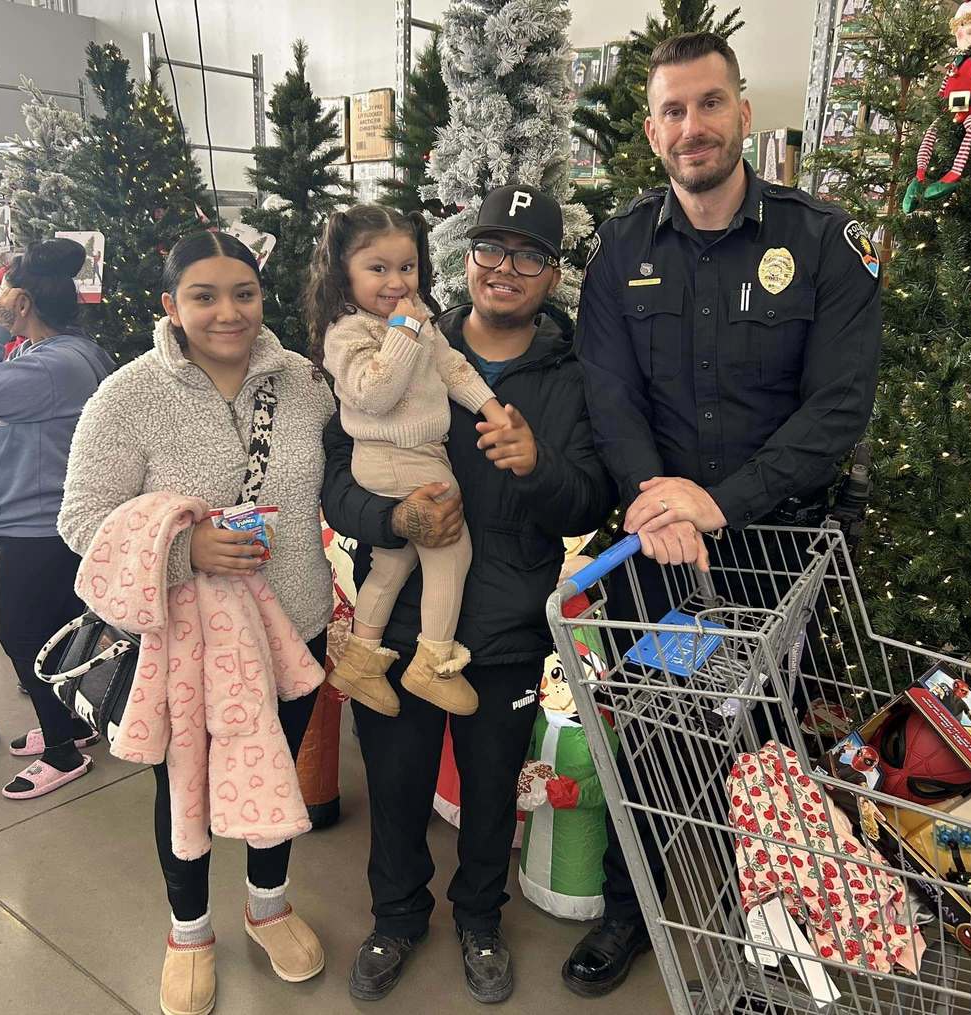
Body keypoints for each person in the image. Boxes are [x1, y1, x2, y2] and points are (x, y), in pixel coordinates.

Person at [566, 32, 882, 996]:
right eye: (672, 110)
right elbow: (608, 393)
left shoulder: (823, 243)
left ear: (744, 111)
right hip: (654, 546)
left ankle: (770, 919)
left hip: (775, 545)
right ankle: (631, 907)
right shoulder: (621, 248)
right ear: (653, 129)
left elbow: (838, 408)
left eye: (709, 104)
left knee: (763, 737)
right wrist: (656, 502)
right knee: (653, 732)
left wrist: (720, 502)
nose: (691, 127)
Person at [320, 184, 616, 1004]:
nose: (506, 268)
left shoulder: (573, 376)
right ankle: (397, 916)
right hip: (405, 619)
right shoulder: (394, 342)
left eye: (529, 255)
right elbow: (337, 479)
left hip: (508, 624)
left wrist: (541, 464)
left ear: (552, 275)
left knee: (491, 790)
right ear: (466, 258)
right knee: (398, 784)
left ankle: (481, 918)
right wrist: (393, 514)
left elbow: (592, 497)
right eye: (492, 248)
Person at [58, 231, 335, 1015]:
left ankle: (269, 904)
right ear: (170, 306)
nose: (228, 312)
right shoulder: (129, 395)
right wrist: (187, 550)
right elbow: (81, 519)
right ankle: (189, 929)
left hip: (294, 627)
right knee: (181, 788)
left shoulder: (305, 384)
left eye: (243, 293)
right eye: (204, 296)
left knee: (275, 768)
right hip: (183, 647)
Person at [310, 205, 511, 719]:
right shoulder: (347, 332)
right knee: (451, 549)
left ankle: (359, 661)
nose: (396, 282)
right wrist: (403, 330)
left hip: (415, 454)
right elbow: (373, 393)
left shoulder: (416, 315)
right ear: (343, 272)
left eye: (407, 266)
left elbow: (450, 366)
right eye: (377, 268)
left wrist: (491, 409)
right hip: (392, 457)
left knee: (393, 560)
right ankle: (434, 662)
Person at [0, 237, 114, 798]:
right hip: (42, 516)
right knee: (56, 631)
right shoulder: (63, 353)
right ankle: (74, 724)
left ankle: (61, 751)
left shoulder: (56, 362)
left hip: (40, 523)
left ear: (22, 304)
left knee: (21, 632)